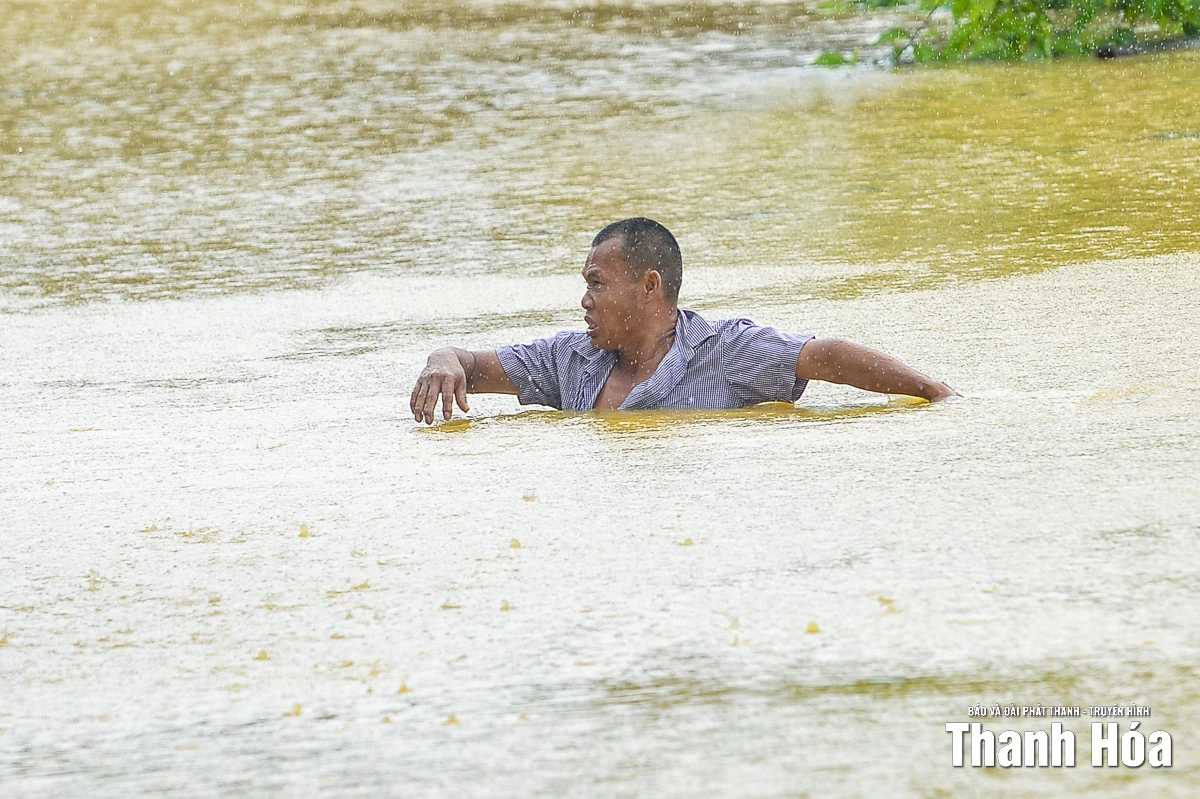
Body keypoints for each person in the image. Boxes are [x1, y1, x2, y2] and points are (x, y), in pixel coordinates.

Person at [410, 217, 958, 424]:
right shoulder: (569, 359)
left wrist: (932, 394)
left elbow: (825, 357)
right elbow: (470, 367)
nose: (584, 300)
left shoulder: (724, 350)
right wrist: (442, 360)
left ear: (650, 285)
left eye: (597, 284)